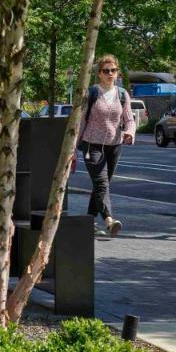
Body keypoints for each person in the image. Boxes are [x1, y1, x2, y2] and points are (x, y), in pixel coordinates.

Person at [77, 54, 135, 238]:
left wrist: (130, 133)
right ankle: (109, 221)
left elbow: (129, 119)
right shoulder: (92, 93)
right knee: (102, 184)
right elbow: (80, 123)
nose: (111, 74)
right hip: (92, 145)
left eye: (114, 70)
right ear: (99, 73)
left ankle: (89, 221)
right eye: (106, 71)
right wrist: (72, 150)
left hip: (114, 145)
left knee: (101, 184)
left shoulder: (123, 94)